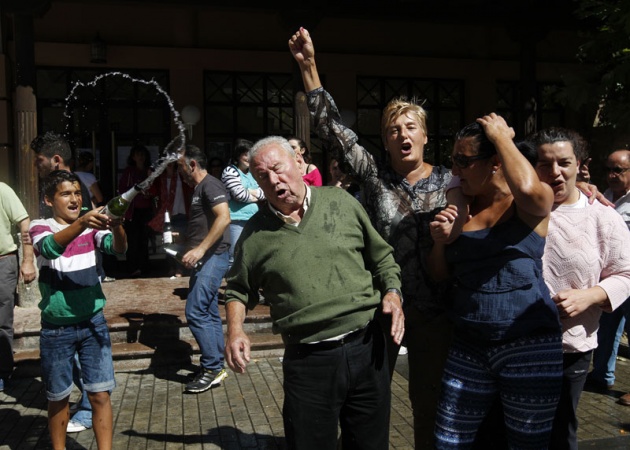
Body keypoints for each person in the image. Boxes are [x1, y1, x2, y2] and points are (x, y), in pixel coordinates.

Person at [289, 27, 466, 447]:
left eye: (410, 127)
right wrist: (309, 67)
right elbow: (333, 130)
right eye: (392, 130)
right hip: (381, 308)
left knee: (431, 403)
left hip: (437, 312)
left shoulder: (452, 180)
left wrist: (578, 188)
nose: (402, 135)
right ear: (385, 140)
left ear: (425, 135)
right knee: (369, 405)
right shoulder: (374, 178)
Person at [224, 136, 404, 450]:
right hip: (309, 362)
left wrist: (392, 292)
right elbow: (238, 290)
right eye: (263, 177)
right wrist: (235, 330)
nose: (274, 180)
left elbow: (382, 257)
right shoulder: (254, 236)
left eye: (278, 169)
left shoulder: (342, 203)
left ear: (298, 162)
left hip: (367, 348)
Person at [428, 114, 563, 449]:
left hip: (528, 344)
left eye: (463, 161)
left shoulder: (527, 205)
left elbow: (532, 190)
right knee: (447, 440)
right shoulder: (460, 205)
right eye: (453, 160)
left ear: (495, 162)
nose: (455, 170)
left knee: (527, 443)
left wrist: (502, 136)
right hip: (469, 343)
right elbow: (440, 274)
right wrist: (440, 241)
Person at [522, 130, 630, 449]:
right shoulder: (517, 208)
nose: (555, 172)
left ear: (580, 165)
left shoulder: (602, 216)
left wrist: (590, 296)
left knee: (560, 429)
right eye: (545, 164)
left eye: (564, 163)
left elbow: (625, 272)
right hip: (517, 342)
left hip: (571, 347)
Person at [29, 170, 127, 450]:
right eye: (65, 193)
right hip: (56, 328)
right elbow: (48, 249)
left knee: (100, 395)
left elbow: (118, 248)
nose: (74, 199)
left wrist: (118, 226)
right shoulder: (41, 225)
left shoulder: (92, 227)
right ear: (49, 200)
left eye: (77, 193)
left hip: (93, 323)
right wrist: (83, 222)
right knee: (58, 397)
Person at [31, 131, 99, 431]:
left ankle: (85, 409)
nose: (37, 167)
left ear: (56, 160)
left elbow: (93, 230)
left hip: (82, 277)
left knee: (92, 369)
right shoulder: (49, 200)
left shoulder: (75, 186)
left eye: (40, 161)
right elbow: (46, 242)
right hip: (62, 293)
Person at [177, 145, 231, 393]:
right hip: (204, 258)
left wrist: (200, 250)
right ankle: (216, 366)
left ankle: (212, 368)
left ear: (192, 165)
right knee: (207, 312)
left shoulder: (211, 185)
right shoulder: (199, 189)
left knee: (196, 310)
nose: (180, 173)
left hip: (214, 256)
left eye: (180, 167)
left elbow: (224, 217)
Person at [588, 149, 630, 406]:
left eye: (619, 170)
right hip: (611, 278)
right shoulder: (605, 196)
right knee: (607, 328)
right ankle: (602, 375)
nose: (612, 175)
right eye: (609, 170)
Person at [0, 182, 36, 391]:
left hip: (3, 261)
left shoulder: (2, 189)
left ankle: (3, 372)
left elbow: (24, 223)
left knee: (2, 321)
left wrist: (28, 259)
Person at [220, 138, 265, 270]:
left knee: (252, 255)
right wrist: (254, 194)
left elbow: (264, 193)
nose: (248, 157)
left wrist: (249, 193)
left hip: (253, 219)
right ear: (238, 155)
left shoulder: (253, 173)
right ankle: (233, 288)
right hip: (236, 220)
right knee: (235, 256)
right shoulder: (230, 171)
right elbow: (239, 195)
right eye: (245, 154)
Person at [148, 160, 193, 277]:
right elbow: (151, 192)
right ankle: (171, 267)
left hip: (181, 213)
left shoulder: (181, 177)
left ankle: (179, 268)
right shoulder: (160, 179)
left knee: (179, 242)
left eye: (172, 162)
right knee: (168, 242)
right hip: (167, 215)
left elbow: (190, 188)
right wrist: (150, 177)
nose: (170, 164)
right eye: (167, 162)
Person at [118, 143, 155, 278]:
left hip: (146, 211)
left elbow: (154, 188)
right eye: (138, 154)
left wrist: (149, 193)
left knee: (144, 240)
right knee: (132, 240)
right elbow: (123, 190)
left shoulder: (149, 170)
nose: (141, 157)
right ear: (133, 157)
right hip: (132, 211)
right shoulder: (129, 172)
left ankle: (144, 267)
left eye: (143, 154)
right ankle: (132, 267)